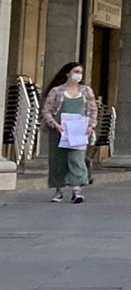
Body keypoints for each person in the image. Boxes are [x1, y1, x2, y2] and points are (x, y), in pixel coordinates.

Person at [41, 62, 96, 205]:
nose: (78, 74)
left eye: (80, 72)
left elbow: (92, 110)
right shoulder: (56, 91)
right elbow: (47, 111)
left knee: (77, 159)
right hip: (59, 130)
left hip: (79, 130)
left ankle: (76, 191)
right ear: (67, 73)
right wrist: (55, 124)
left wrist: (91, 126)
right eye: (76, 71)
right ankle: (58, 190)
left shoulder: (86, 91)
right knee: (58, 159)